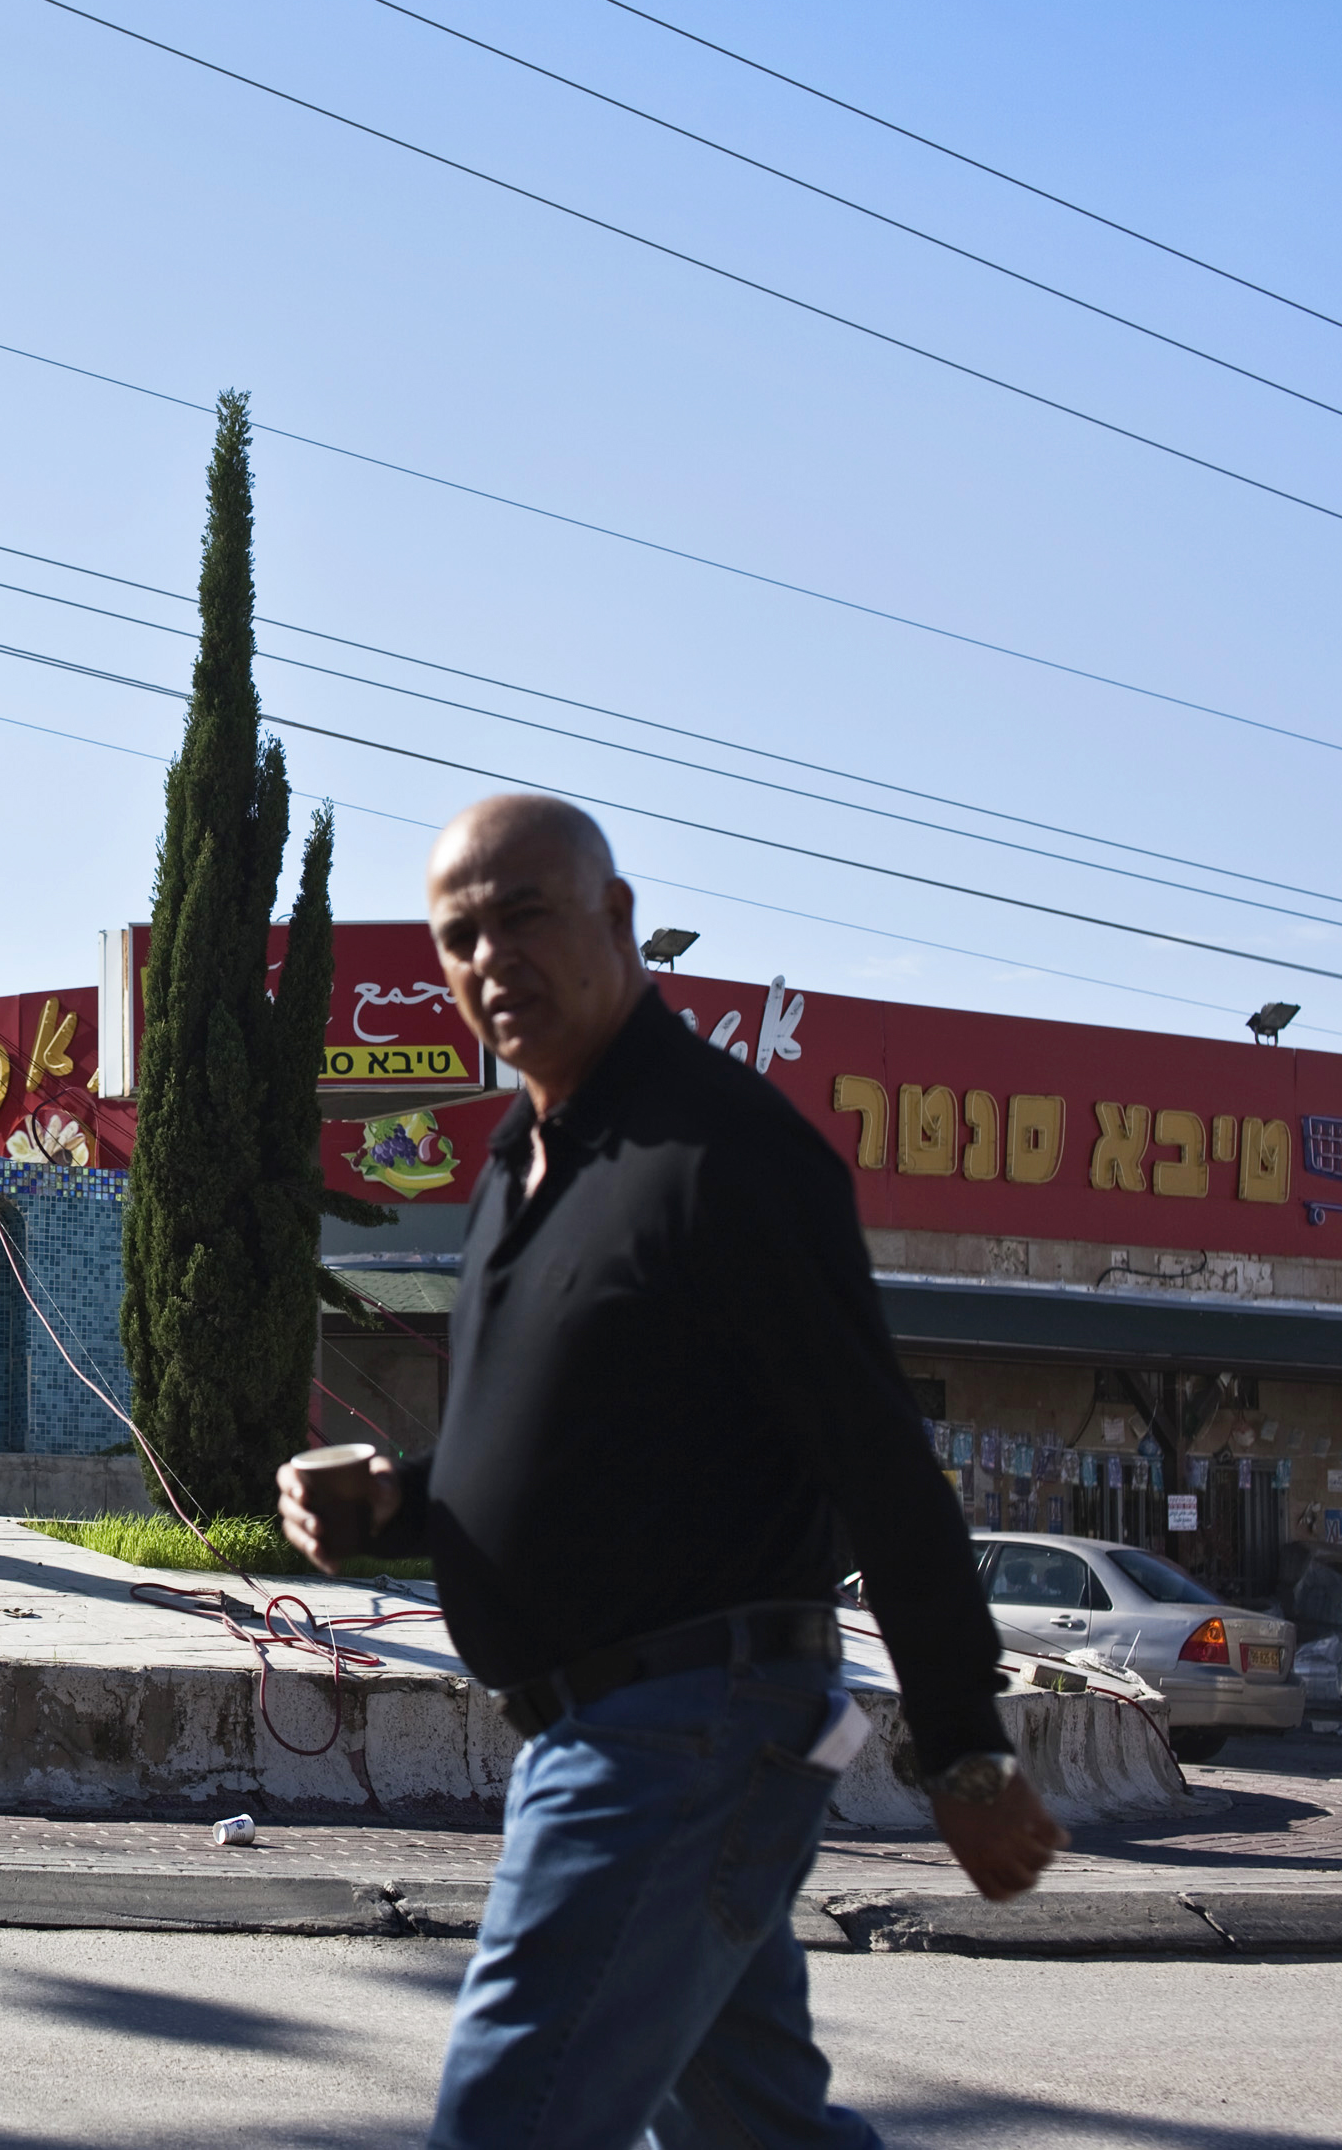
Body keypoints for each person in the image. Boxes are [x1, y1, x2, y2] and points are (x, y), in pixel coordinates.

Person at [279, 795, 1060, 2150]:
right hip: (604, 1728)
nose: (490, 959)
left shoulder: (723, 1152)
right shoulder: (523, 1160)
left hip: (691, 1726)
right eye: (460, 934)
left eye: (525, 914)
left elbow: (880, 1458)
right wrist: (401, 1497)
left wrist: (968, 1746)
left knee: (511, 2116)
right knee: (755, 2127)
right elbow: (592, 1446)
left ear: (619, 918)